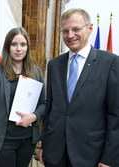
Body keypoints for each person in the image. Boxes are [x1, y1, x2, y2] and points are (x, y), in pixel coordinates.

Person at [40, 8, 119, 167]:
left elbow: (115, 115)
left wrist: (110, 158)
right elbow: (50, 110)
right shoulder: (54, 65)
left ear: (89, 29)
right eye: (65, 31)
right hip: (55, 155)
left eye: (76, 29)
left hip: (91, 156)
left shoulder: (110, 63)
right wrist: (45, 146)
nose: (70, 35)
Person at [0, 27, 46, 167]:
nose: (18, 49)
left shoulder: (36, 72)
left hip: (28, 140)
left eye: (23, 44)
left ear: (27, 47)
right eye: (14, 44)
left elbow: (44, 103)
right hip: (3, 141)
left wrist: (33, 116)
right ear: (7, 47)